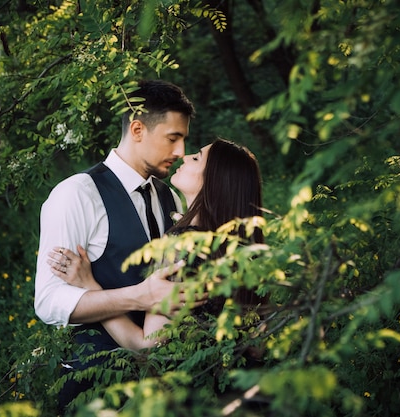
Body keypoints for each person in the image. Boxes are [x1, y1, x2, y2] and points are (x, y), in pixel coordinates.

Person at [33, 79, 196, 412]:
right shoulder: (77, 193)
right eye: (172, 138)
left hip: (157, 390)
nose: (180, 152)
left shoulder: (171, 196)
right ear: (137, 129)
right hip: (94, 388)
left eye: (183, 141)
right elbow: (48, 302)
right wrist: (139, 295)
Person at [46, 138, 266, 351]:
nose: (185, 156)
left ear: (215, 182)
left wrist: (89, 285)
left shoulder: (183, 245)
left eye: (197, 159)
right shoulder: (243, 251)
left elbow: (146, 345)